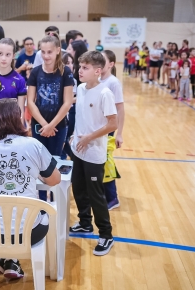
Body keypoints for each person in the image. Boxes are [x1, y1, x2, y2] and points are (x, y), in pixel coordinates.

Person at [0, 98, 61, 279]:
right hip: (28, 231)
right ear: (18, 119)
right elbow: (54, 180)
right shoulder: (33, 145)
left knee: (0, 216)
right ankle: (11, 261)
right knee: (29, 216)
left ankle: (7, 259)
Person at [70, 51, 117, 256]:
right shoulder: (80, 88)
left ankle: (106, 235)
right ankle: (85, 223)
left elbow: (112, 123)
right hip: (78, 150)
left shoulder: (105, 93)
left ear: (98, 71)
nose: (80, 70)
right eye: (80, 67)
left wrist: (89, 137)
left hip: (94, 152)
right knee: (78, 189)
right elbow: (80, 115)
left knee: (96, 195)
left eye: (85, 67)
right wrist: (75, 136)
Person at [27, 33, 74, 201]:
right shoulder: (35, 72)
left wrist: (51, 125)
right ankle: (41, 200)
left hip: (58, 127)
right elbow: (30, 102)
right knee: (39, 164)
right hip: (38, 125)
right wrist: (43, 124)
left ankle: (55, 201)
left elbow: (67, 102)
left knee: (54, 162)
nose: (46, 56)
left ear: (57, 52)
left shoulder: (65, 72)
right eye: (43, 52)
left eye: (49, 52)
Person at [99, 50, 125, 210]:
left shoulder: (113, 82)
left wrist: (119, 133)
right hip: (98, 128)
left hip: (108, 128)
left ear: (111, 64)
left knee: (106, 163)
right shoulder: (97, 80)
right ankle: (104, 193)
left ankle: (112, 197)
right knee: (100, 161)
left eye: (103, 60)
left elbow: (120, 110)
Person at [62, 40, 87, 160]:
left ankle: (73, 158)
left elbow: (76, 98)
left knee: (67, 137)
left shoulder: (78, 77)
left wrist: (71, 100)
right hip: (65, 112)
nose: (67, 50)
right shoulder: (64, 76)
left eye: (70, 48)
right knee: (62, 139)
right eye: (67, 63)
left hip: (73, 111)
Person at [0, 38, 26, 121]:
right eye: (1, 53)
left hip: (11, 126)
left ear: (13, 56)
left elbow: (21, 111)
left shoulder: (19, 80)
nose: (3, 58)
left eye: (8, 54)